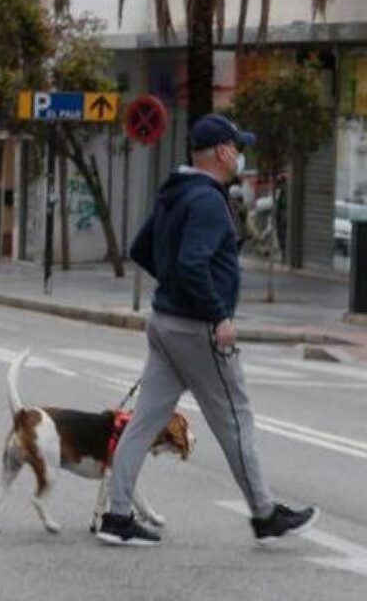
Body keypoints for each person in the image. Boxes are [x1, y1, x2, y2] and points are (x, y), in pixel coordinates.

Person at [96, 114, 319, 547]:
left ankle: (117, 516)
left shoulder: (174, 193)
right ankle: (264, 514)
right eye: (237, 148)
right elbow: (193, 263)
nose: (241, 155)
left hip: (164, 323)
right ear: (221, 152)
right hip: (198, 329)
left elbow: (143, 248)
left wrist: (174, 290)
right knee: (237, 420)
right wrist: (218, 315)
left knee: (143, 423)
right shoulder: (208, 202)